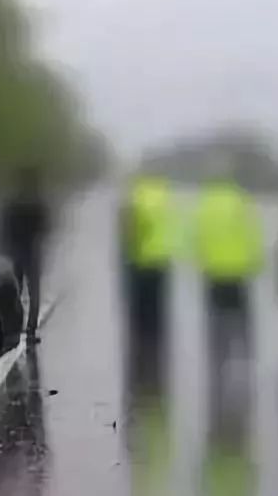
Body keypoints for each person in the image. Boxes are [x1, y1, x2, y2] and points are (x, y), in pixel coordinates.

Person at [191, 174, 263, 495]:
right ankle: (243, 354)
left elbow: (197, 238)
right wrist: (254, 262)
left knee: (216, 320)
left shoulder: (206, 205)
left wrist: (202, 262)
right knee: (242, 319)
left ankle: (218, 357)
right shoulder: (242, 203)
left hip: (214, 272)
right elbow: (254, 236)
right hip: (238, 271)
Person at [117, 173, 176, 496]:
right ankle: (158, 341)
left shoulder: (136, 198)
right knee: (159, 311)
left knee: (141, 311)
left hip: (141, 260)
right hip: (161, 260)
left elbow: (129, 231)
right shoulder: (164, 195)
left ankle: (143, 344)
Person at [0, 167, 50, 342]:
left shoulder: (12, 203)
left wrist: (6, 247)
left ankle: (11, 329)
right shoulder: (38, 203)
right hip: (32, 251)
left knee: (15, 291)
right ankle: (31, 331)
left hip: (15, 251)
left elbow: (3, 228)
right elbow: (45, 228)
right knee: (34, 293)